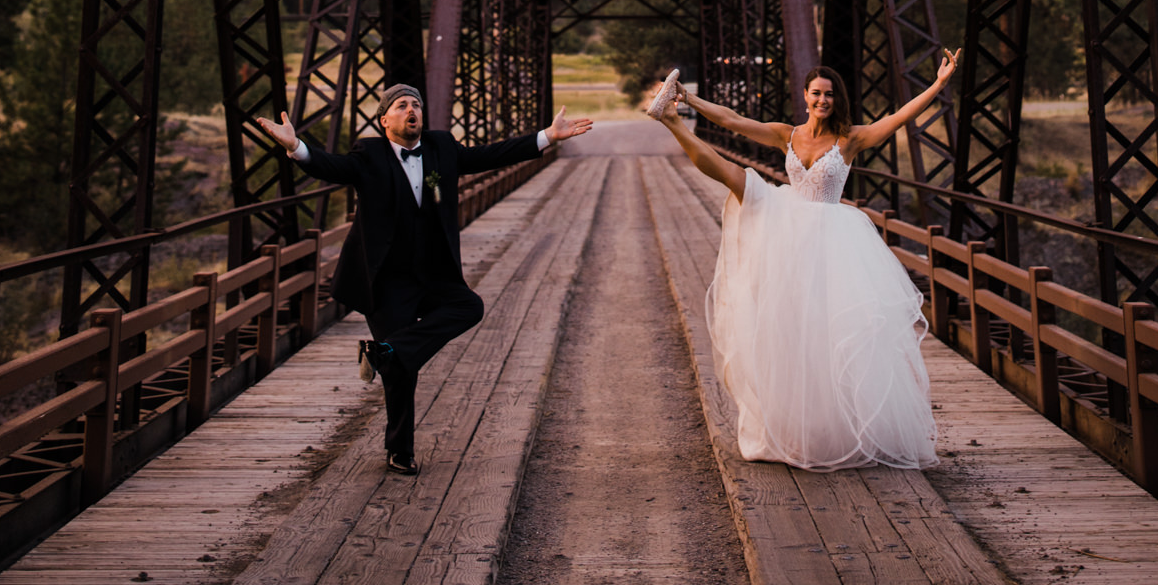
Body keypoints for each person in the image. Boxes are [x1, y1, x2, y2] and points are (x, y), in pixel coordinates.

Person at [645, 52, 959, 471]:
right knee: (734, 178)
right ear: (805, 96)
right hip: (787, 226)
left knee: (826, 333)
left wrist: (937, 86)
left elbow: (898, 118)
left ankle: (830, 430)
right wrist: (690, 98)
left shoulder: (851, 139)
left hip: (833, 241)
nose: (822, 100)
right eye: (816, 93)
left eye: (829, 95)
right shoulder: (786, 134)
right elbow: (734, 121)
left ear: (836, 99)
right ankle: (672, 118)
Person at [257, 86, 592, 475]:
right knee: (403, 371)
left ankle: (386, 351)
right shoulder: (369, 155)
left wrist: (548, 136)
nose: (412, 110)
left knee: (469, 306)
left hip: (432, 273)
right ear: (385, 120)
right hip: (386, 278)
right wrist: (296, 146)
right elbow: (330, 167)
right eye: (402, 106)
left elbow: (488, 156)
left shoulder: (441, 147)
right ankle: (399, 449)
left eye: (417, 104)